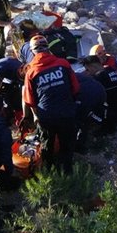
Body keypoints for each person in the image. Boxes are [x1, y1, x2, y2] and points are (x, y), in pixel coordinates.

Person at [23, 35, 79, 174]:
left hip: (46, 116)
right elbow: (76, 88)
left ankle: (48, 173)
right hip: (66, 112)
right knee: (67, 144)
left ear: (32, 51)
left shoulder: (31, 72)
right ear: (48, 47)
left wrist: (36, 116)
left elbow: (30, 100)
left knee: (47, 145)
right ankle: (67, 172)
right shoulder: (63, 64)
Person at [81, 55, 117, 134]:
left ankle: (107, 128)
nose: (87, 72)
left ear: (93, 67)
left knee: (87, 110)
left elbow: (86, 93)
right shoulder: (111, 69)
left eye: (87, 69)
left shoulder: (99, 78)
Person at [74, 71, 107, 153]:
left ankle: (79, 146)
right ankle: (100, 120)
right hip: (100, 90)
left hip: (88, 96)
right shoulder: (69, 73)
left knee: (80, 120)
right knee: (86, 115)